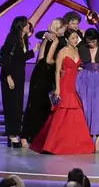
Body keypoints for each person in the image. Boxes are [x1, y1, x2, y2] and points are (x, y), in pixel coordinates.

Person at [30, 29, 95, 154]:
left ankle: (76, 143)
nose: (75, 40)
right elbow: (57, 70)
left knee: (75, 114)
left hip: (74, 85)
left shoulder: (77, 50)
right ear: (66, 40)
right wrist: (58, 89)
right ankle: (53, 144)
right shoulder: (62, 51)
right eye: (72, 38)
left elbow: (76, 67)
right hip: (64, 85)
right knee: (61, 114)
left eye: (76, 38)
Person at [20, 18, 64, 147]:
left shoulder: (48, 37)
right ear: (58, 28)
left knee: (37, 104)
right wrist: (61, 65)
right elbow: (49, 60)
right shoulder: (54, 39)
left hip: (40, 72)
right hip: (45, 73)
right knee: (40, 105)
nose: (65, 30)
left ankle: (31, 135)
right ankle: (28, 135)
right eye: (63, 28)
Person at [0, 16, 37, 148]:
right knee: (11, 105)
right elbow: (5, 58)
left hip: (19, 75)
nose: (29, 26)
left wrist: (35, 50)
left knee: (18, 104)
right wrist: (8, 76)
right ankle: (11, 134)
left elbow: (21, 58)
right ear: (21, 26)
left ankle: (15, 132)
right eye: (27, 24)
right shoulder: (13, 38)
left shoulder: (23, 40)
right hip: (10, 75)